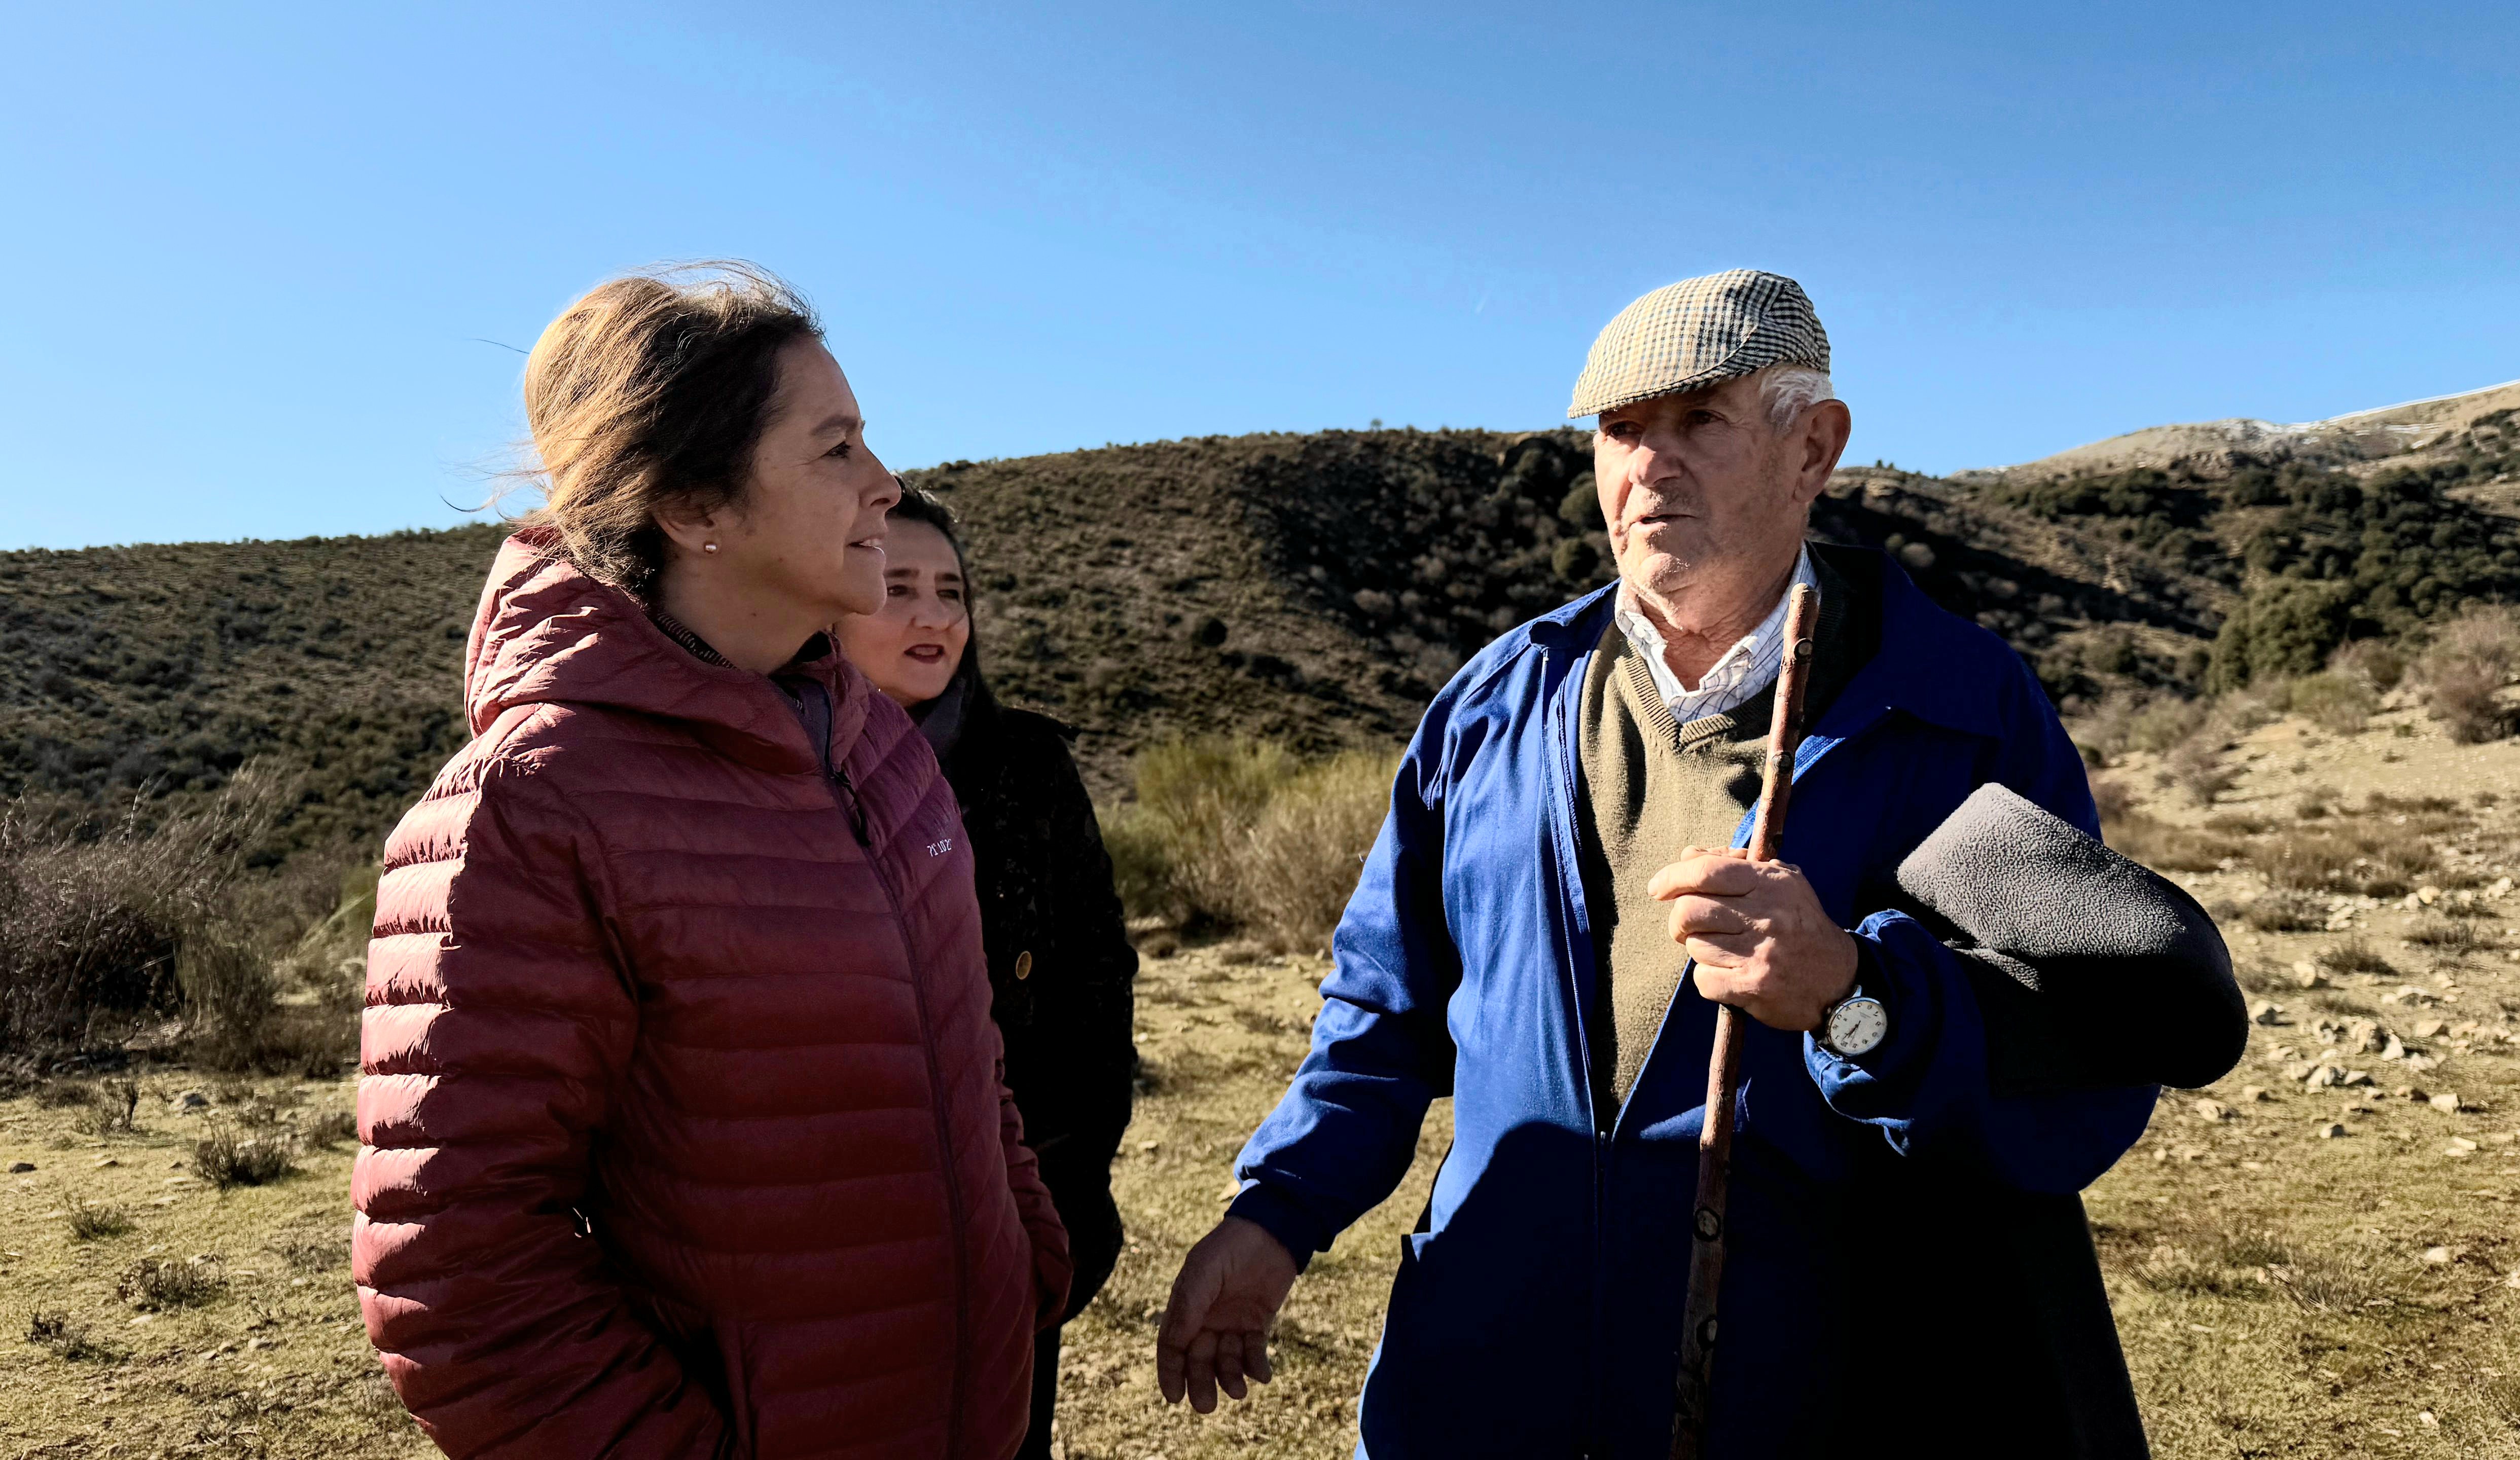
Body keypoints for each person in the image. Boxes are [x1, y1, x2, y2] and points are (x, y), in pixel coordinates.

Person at [1155, 270, 2246, 1458]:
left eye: (1698, 423)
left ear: (1813, 447)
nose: (1648, 466)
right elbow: (1385, 1003)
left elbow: (2086, 1058)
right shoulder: (1492, 706)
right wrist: (1277, 1212)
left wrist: (1856, 998)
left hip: (1817, 1393)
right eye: (1620, 431)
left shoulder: (1959, 712)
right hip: (1479, 1374)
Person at [353, 263, 1069, 1460]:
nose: (884, 487)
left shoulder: (878, 745)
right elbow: (458, 1264)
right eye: (835, 447)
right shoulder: (530, 803)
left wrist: (1025, 1255)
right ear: (693, 505)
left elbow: (960, 1041)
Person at [836, 486, 1138, 1460]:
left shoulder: (1029, 765)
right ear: (830, 597)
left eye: (952, 591)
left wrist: (1074, 1178)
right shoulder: (767, 777)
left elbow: (1100, 971)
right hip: (834, 1226)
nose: (934, 616)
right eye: (897, 588)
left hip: (1013, 1214)